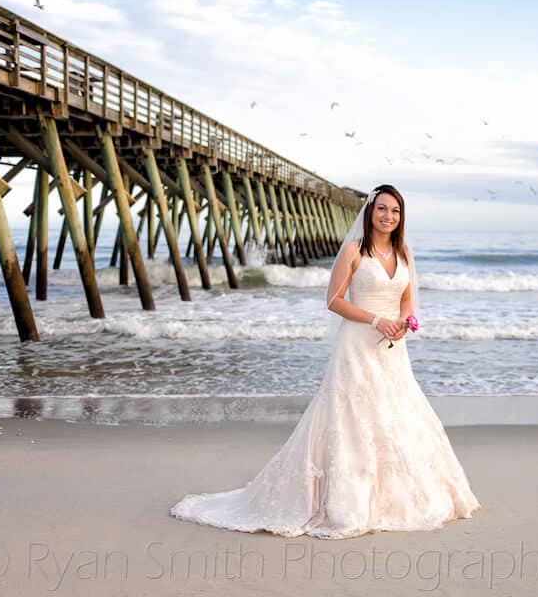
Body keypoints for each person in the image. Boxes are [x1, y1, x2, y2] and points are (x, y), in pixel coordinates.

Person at [169, 183, 481, 539]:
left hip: (391, 348)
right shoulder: (353, 251)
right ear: (370, 212)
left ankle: (393, 498)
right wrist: (376, 320)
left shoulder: (405, 253)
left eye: (394, 211)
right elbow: (333, 300)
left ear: (401, 217)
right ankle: (348, 500)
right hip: (358, 344)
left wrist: (404, 322)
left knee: (394, 413)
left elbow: (406, 299)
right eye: (381, 209)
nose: (387, 216)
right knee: (352, 419)